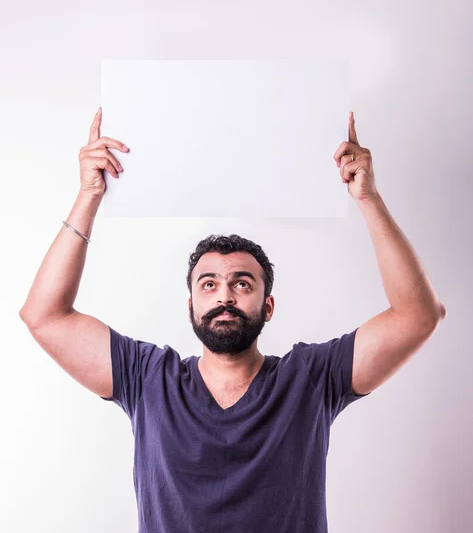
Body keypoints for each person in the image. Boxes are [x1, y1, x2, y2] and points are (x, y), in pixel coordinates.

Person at [19, 107, 446, 533]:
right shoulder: (148, 378)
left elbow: (418, 316)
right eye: (208, 285)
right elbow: (43, 315)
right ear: (190, 306)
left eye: (242, 284)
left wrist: (368, 198)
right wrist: (88, 196)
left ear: (269, 306)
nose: (224, 294)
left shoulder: (311, 378)